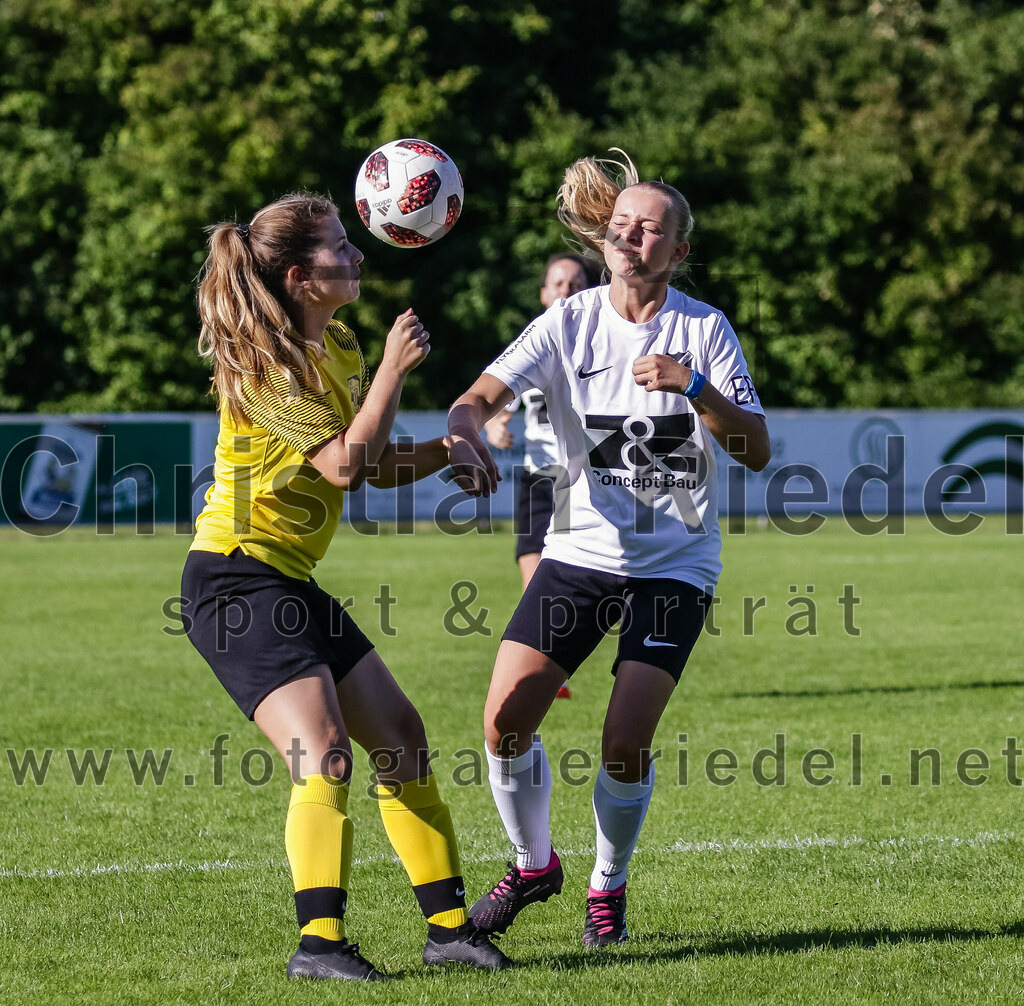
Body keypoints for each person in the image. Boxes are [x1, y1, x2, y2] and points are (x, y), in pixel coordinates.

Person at [181, 192, 511, 981]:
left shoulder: (341, 344)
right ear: (299, 277)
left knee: (401, 736)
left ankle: (450, 932)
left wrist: (446, 450)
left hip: (287, 578)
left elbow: (369, 462)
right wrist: (394, 373)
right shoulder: (260, 367)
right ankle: (319, 947)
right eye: (337, 248)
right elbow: (340, 464)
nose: (356, 254)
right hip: (233, 583)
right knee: (324, 755)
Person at [446, 152, 770, 947]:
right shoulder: (569, 321)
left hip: (674, 566)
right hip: (580, 554)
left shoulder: (705, 329)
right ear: (606, 239)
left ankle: (607, 886)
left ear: (677, 251)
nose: (633, 237)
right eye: (622, 224)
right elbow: (479, 395)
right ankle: (532, 865)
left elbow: (757, 449)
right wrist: (461, 429)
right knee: (503, 722)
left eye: (652, 228)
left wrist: (694, 388)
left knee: (624, 741)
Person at [483, 253, 601, 699]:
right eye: (557, 284)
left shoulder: (598, 341)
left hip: (584, 478)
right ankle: (551, 665)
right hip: (538, 475)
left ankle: (559, 656)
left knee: (584, 571)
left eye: (574, 284)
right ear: (542, 293)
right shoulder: (533, 342)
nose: (565, 292)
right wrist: (495, 426)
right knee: (532, 563)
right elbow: (498, 402)